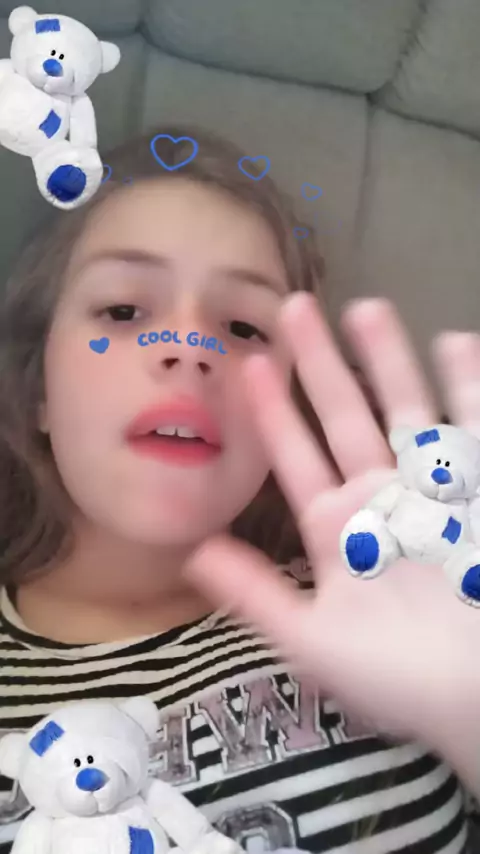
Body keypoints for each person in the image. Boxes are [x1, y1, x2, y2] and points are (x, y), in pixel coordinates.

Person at [0, 124, 477, 854]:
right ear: (38, 391)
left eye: (245, 327)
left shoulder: (404, 595)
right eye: (123, 311)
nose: (187, 348)